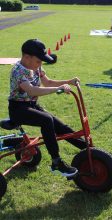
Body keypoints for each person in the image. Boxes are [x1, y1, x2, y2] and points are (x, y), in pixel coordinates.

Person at [8, 39, 87, 177]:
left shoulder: (36, 67)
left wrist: (68, 82)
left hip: (31, 105)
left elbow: (48, 82)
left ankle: (91, 151)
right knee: (46, 120)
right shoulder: (18, 71)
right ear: (27, 57)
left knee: (60, 126)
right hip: (18, 109)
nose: (40, 64)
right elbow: (32, 90)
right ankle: (56, 162)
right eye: (38, 61)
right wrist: (58, 89)